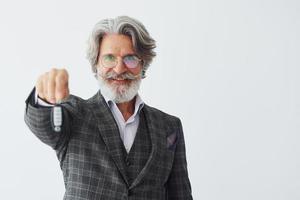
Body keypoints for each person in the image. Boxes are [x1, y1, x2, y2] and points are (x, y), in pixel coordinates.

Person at [24, 15, 193, 200]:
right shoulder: (74, 113)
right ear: (96, 64)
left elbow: (181, 194)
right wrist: (45, 99)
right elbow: (43, 126)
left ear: (143, 64)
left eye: (130, 58)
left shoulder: (169, 126)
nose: (119, 69)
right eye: (110, 58)